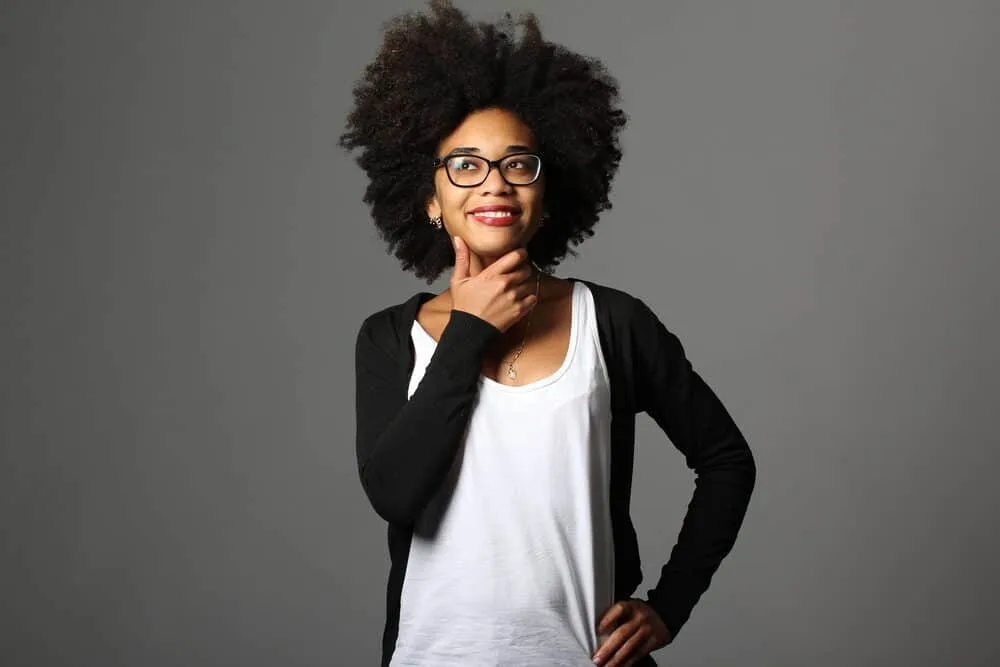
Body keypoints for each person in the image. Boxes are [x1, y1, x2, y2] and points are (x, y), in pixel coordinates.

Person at [340, 2, 756, 665]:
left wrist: (669, 603)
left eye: (518, 164)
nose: (494, 184)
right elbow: (394, 492)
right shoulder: (390, 338)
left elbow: (727, 459)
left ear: (547, 191)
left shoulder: (613, 323)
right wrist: (470, 330)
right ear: (430, 197)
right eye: (466, 165)